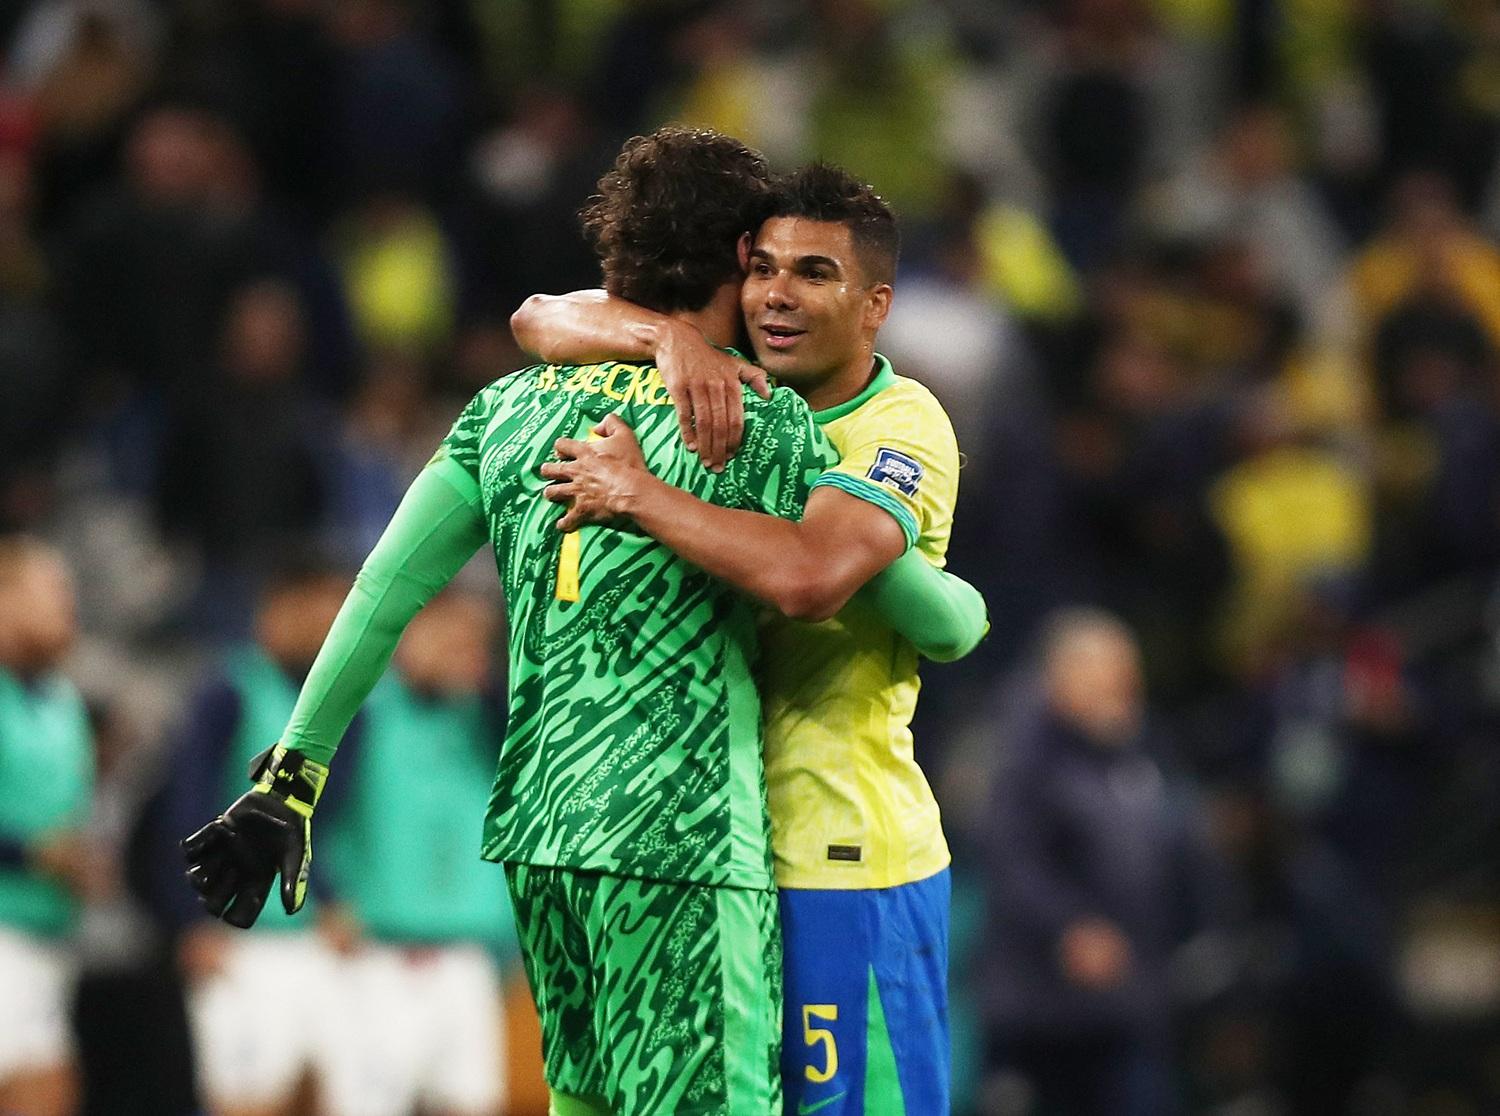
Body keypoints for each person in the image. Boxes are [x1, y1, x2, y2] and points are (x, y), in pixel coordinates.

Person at [181, 126, 975, 1116]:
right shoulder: (753, 422)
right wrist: (960, 604)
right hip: (680, 843)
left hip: (542, 837)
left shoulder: (505, 410)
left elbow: (382, 592)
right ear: (738, 263)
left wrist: (293, 774)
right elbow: (872, 591)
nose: (774, 297)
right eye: (764, 269)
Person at [515, 162, 976, 1115]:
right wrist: (669, 339)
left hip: (838, 857)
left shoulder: (901, 421)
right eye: (762, 268)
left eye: (814, 273)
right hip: (715, 856)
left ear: (876, 305)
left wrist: (638, 494)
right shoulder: (729, 386)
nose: (777, 294)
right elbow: (538, 316)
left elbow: (808, 579)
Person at [976, 609, 1217, 1116]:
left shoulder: (1141, 750)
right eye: (1107, 673)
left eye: (1127, 673)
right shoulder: (1024, 752)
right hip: (1045, 1009)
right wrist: (1067, 928)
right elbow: (1011, 860)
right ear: (1061, 675)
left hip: (1130, 999)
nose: (1123, 687)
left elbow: (1173, 844)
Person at [163, 556, 359, 1116]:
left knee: (324, 1092)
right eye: (316, 609)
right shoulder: (227, 693)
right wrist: (189, 919)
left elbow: (323, 821)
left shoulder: (340, 708)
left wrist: (333, 899)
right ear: (275, 610)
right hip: (236, 938)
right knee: (245, 1100)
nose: (329, 626)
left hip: (310, 935)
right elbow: (186, 808)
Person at [318, 592, 514, 1116]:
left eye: (470, 642)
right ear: (406, 635)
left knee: (471, 1103)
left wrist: (488, 687)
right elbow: (313, 814)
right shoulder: (362, 714)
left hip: (466, 956)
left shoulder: (489, 719)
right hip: (377, 955)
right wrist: (328, 897)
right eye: (443, 635)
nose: (457, 652)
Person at [0, 538, 100, 1116]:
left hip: (47, 940)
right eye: (53, 591)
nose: (69, 605)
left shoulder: (65, 701)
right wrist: (30, 853)